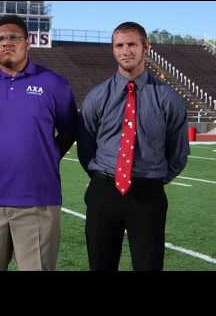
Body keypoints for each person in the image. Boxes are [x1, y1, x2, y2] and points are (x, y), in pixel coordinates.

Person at [0, 14, 78, 271]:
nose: (6, 43)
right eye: (0, 38)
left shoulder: (54, 83)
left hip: (38, 199)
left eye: (14, 37)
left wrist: (46, 157)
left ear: (28, 42)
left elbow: (69, 130)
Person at [77, 21, 189, 271]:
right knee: (101, 264)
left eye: (132, 44)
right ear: (113, 50)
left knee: (148, 265)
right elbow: (85, 147)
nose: (126, 51)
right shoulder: (97, 96)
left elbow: (178, 152)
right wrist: (103, 177)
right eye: (119, 45)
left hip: (147, 194)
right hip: (104, 191)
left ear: (145, 47)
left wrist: (152, 179)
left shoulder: (168, 99)